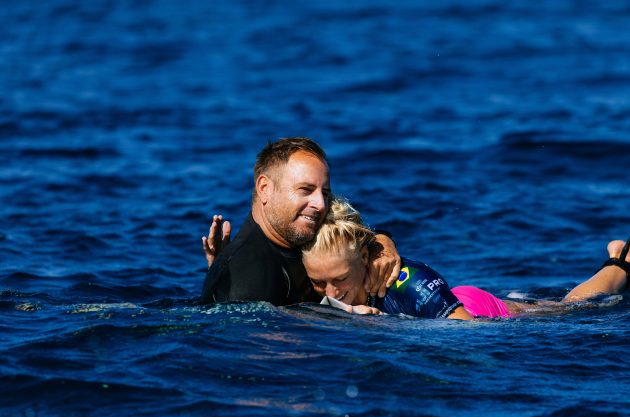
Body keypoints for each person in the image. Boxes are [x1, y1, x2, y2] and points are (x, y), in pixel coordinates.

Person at [301, 197, 630, 320]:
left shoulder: (407, 283)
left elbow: (466, 339)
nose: (331, 292)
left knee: (570, 309)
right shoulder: (319, 277)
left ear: (363, 258)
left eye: (340, 279)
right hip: (443, 306)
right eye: (319, 282)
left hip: (470, 310)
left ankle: (620, 260)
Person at [199, 137, 401, 306]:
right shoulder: (248, 279)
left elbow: (350, 238)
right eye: (305, 190)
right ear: (264, 188)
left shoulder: (293, 234)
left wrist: (380, 244)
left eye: (325, 193)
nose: (320, 204)